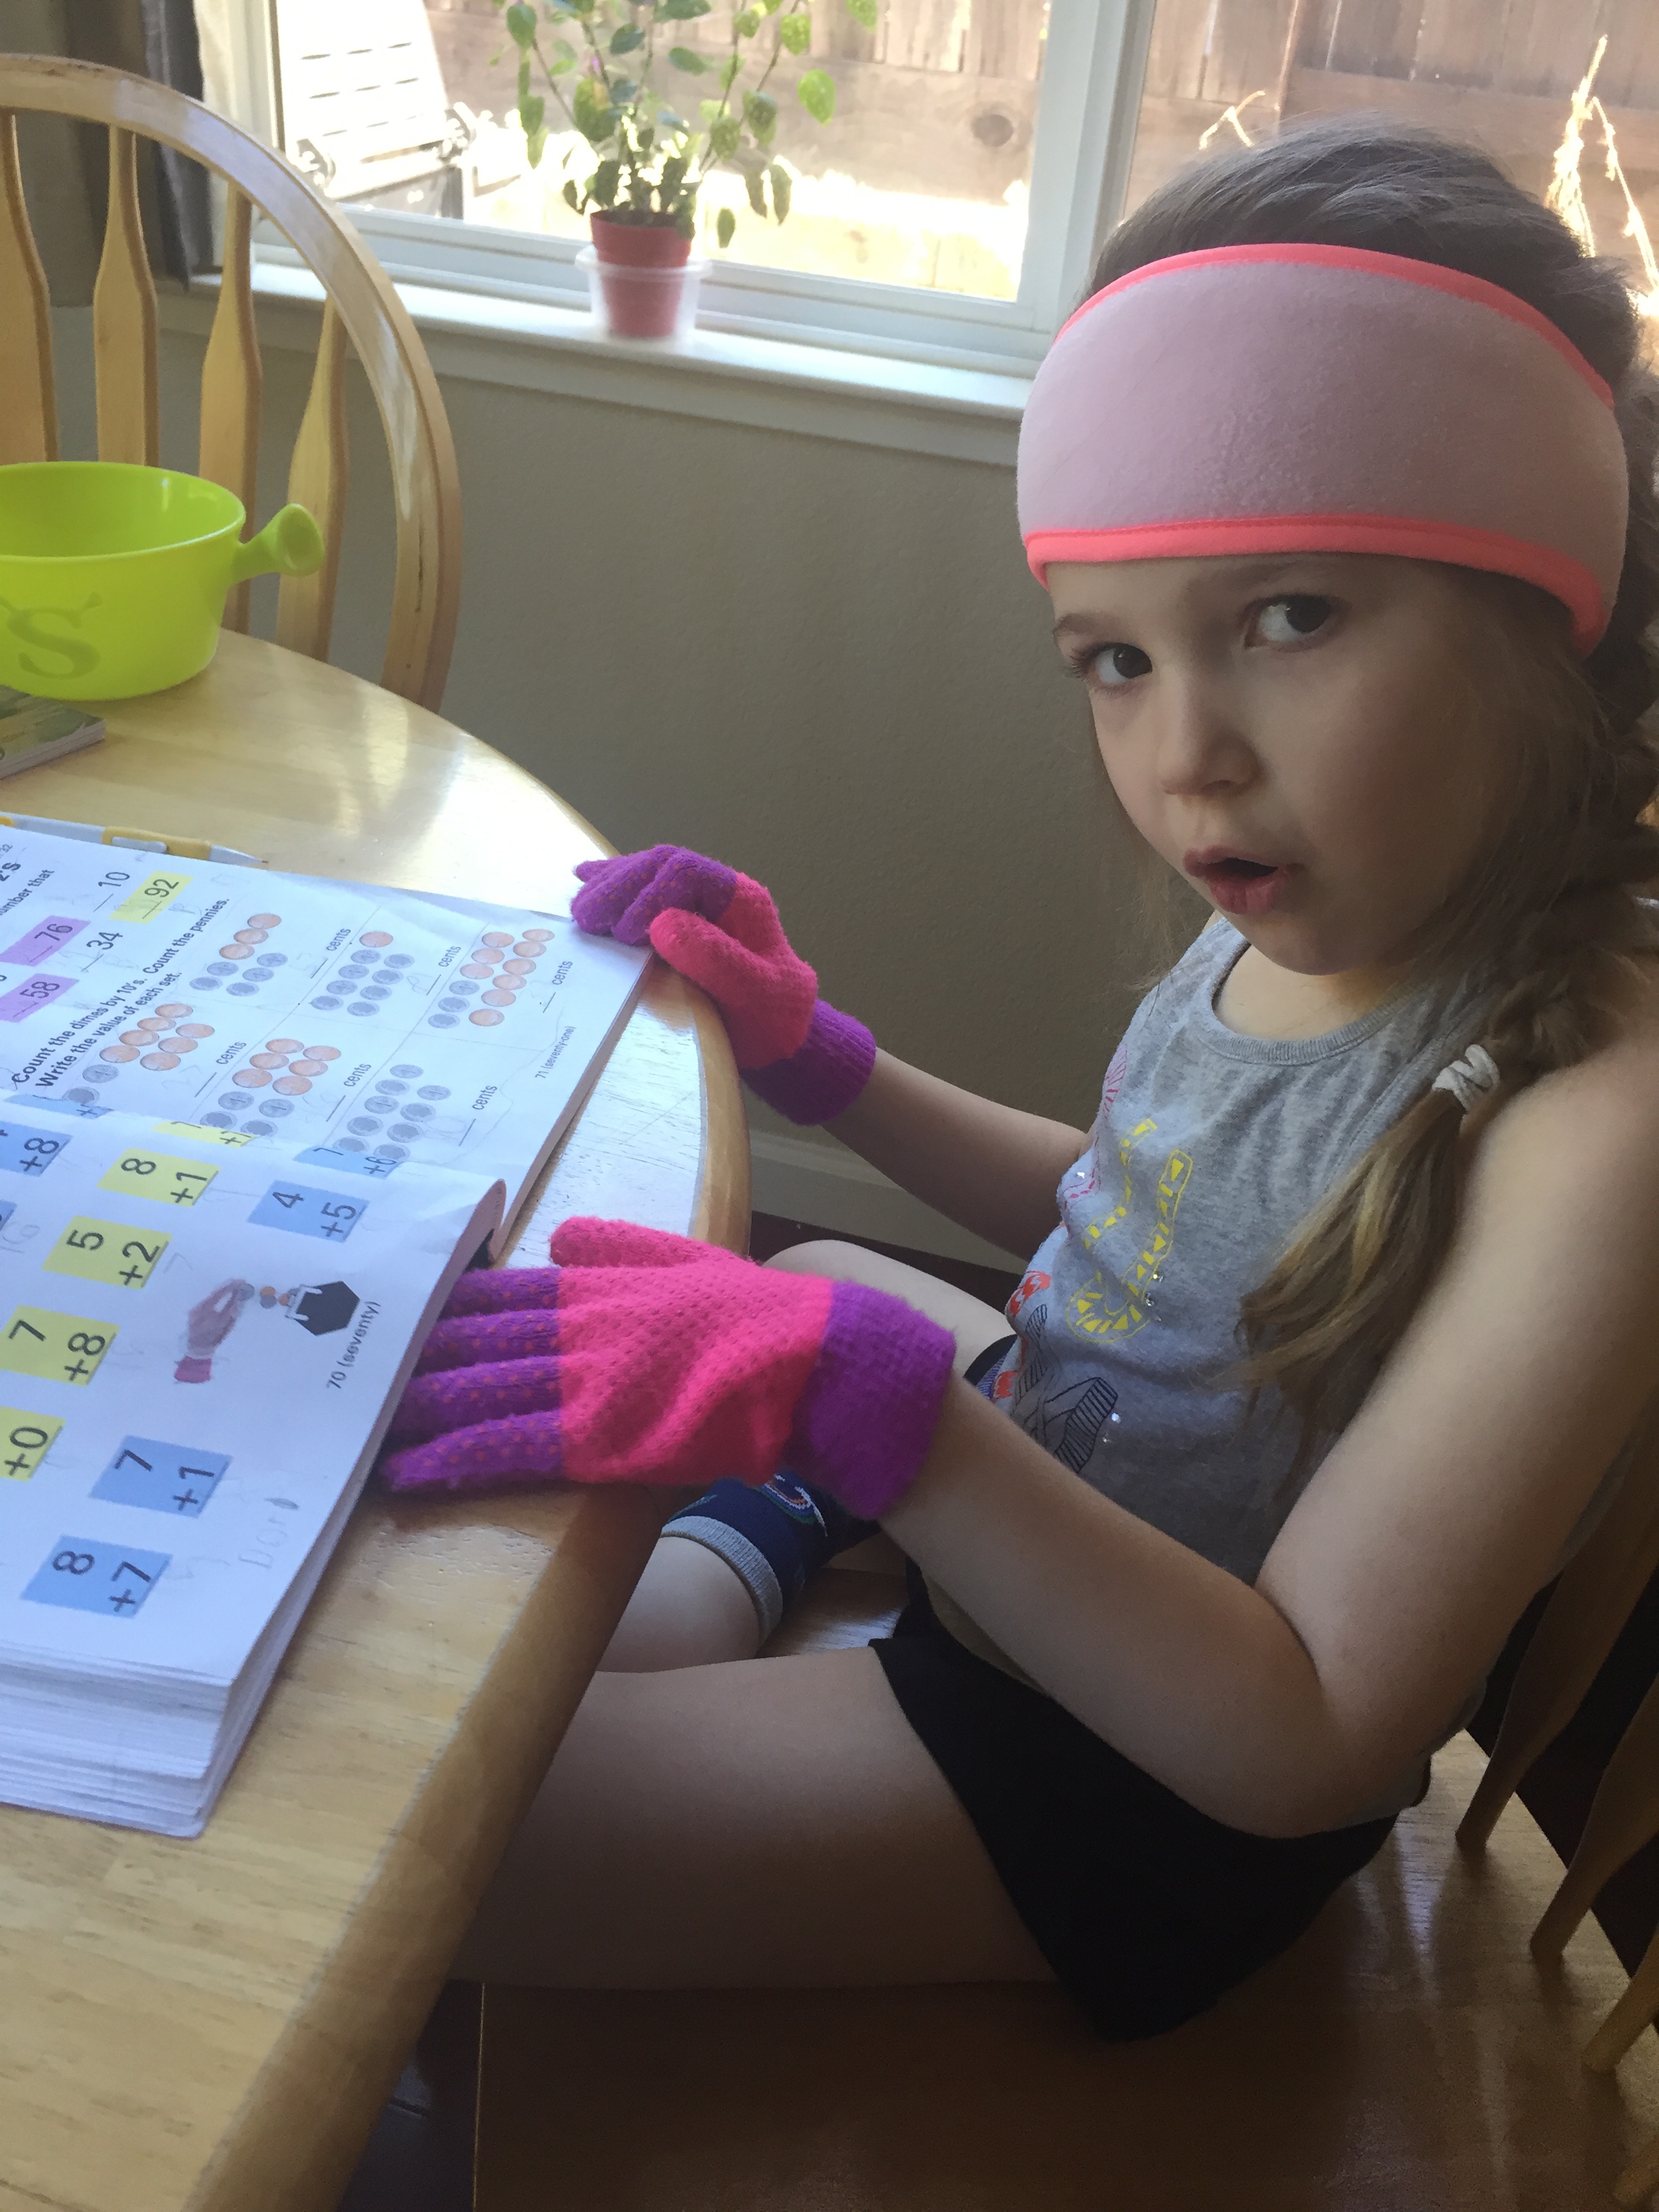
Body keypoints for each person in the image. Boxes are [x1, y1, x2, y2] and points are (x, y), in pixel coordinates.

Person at [382, 117, 1659, 2039]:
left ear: (1545, 617)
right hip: (1042, 1521)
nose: (1185, 754)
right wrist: (825, 1064)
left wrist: (893, 1427)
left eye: (1291, 617)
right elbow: (1133, 1209)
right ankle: (785, 1526)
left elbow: (1312, 1732)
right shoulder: (1313, 901)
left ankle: (786, 1525)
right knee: (678, 1418)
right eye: (1114, 659)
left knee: (427, 1838)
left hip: (1134, 1780)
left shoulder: (1599, 1117)